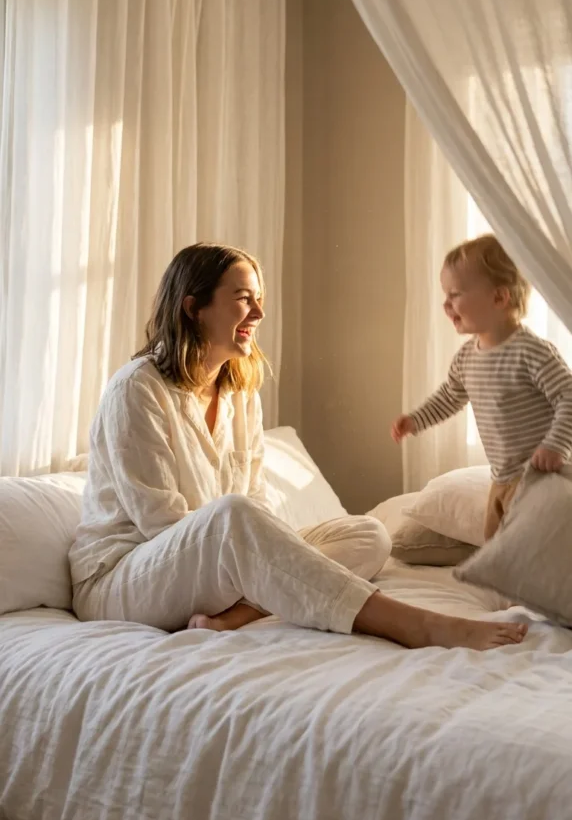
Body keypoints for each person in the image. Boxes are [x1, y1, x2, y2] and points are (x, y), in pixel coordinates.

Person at [70, 242, 526, 649]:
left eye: (259, 300)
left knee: (369, 535)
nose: (259, 314)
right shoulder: (136, 390)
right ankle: (416, 625)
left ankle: (236, 618)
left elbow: (256, 500)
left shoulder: (240, 391)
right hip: (126, 576)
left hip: (217, 562)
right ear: (194, 308)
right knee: (233, 515)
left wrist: (271, 557)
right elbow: (162, 524)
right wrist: (259, 556)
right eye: (243, 299)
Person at [392, 234, 572, 539]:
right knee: (493, 546)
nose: (445, 304)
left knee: (527, 551)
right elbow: (450, 397)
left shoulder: (531, 351)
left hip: (538, 476)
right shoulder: (466, 358)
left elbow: (568, 395)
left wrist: (556, 445)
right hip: (501, 477)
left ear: (499, 298)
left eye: (455, 294)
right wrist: (415, 420)